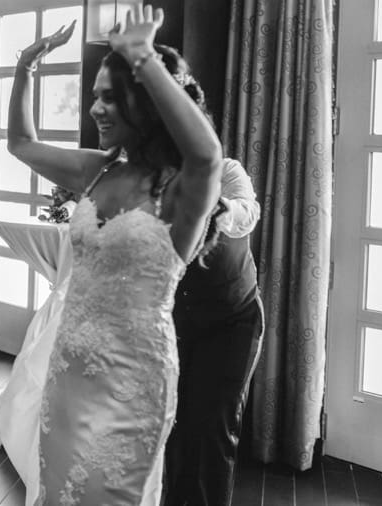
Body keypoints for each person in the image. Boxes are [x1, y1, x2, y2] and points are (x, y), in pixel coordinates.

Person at [7, 5, 222, 505]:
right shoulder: (98, 171)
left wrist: (143, 56)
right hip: (68, 374)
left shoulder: (181, 189)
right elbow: (21, 143)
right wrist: (24, 67)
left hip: (131, 383)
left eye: (109, 97)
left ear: (143, 103)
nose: (95, 110)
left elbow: (207, 155)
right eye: (94, 97)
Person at [159, 52, 264, 506]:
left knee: (213, 431)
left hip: (232, 320)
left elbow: (247, 213)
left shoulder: (228, 172)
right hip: (173, 324)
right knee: (171, 427)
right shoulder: (154, 182)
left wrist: (213, 205)